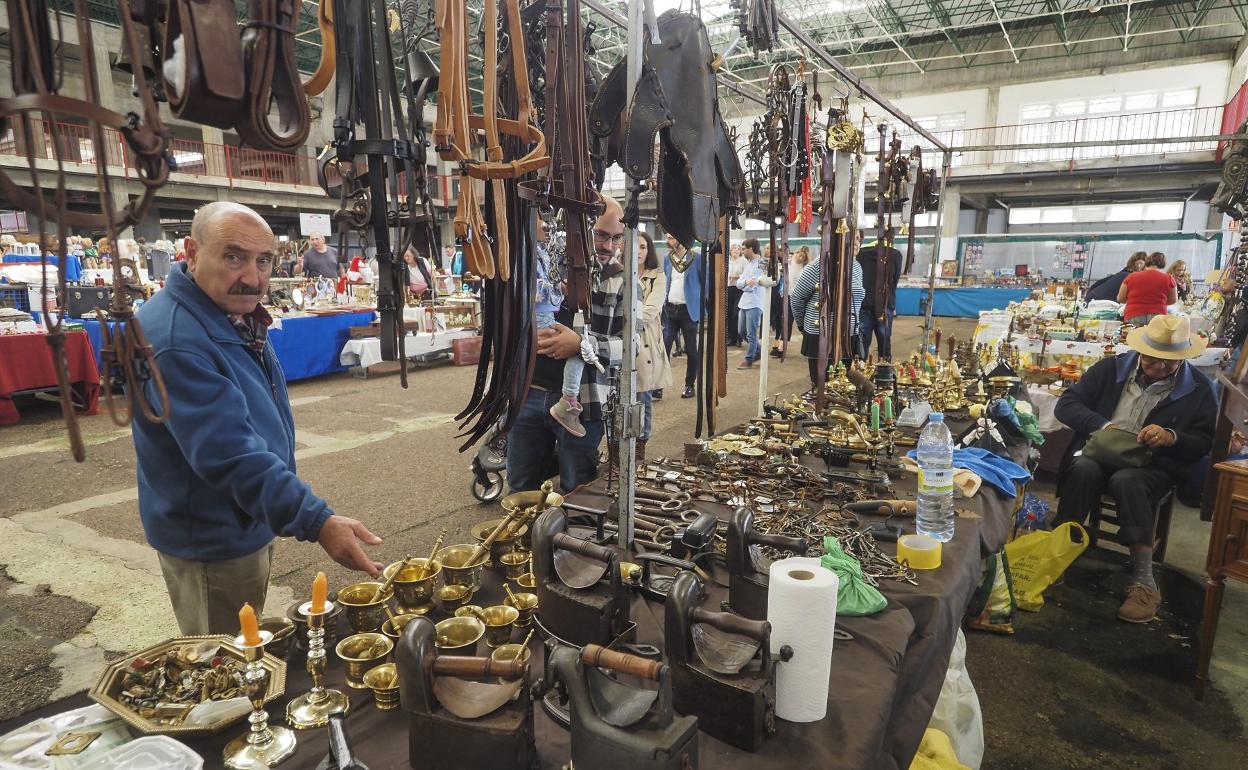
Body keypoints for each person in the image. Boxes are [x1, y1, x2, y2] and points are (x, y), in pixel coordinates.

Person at [132, 202, 382, 635]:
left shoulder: (226, 313)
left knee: (242, 643)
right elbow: (230, 455)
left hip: (244, 517)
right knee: (224, 666)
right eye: (233, 257)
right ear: (191, 253)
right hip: (213, 539)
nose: (252, 277)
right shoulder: (176, 338)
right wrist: (316, 521)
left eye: (263, 261)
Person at [1053, 314, 1215, 623]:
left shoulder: (1199, 389)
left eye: (1170, 363)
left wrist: (1172, 437)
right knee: (1083, 468)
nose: (1160, 368)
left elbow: (1205, 442)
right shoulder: (1110, 369)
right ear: (1142, 351)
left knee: (1128, 481)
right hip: (1100, 452)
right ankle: (1058, 552)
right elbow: (1067, 405)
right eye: (1154, 360)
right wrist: (1103, 426)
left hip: (1155, 465)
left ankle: (1144, 581)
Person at [506, 197, 627, 493]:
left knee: (578, 491)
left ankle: (572, 539)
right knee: (521, 488)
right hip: (528, 394)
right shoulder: (544, 265)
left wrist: (582, 345)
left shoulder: (622, 280)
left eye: (617, 238)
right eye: (601, 235)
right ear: (580, 226)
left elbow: (630, 347)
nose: (608, 246)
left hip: (583, 404)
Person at [535, 216, 598, 438]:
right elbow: (534, 289)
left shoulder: (542, 253)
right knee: (579, 350)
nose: (547, 225)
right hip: (542, 318)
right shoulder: (532, 255)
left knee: (579, 346)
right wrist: (558, 289)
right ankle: (569, 399)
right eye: (541, 221)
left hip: (544, 316)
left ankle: (568, 401)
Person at [790, 249, 865, 391]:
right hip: (820, 334)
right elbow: (796, 298)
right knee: (822, 387)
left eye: (857, 238)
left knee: (846, 384)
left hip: (849, 335)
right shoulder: (815, 268)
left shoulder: (856, 267)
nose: (854, 243)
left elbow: (857, 300)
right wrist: (802, 326)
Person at [636, 232, 671, 462]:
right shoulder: (616, 271)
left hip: (645, 341)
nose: (638, 251)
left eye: (642, 247)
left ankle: (640, 445)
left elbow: (651, 310)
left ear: (649, 251)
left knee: (643, 395)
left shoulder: (656, 276)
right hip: (619, 341)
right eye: (633, 246)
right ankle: (617, 446)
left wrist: (622, 319)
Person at [663, 234, 703, 399]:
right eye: (667, 237)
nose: (668, 241)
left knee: (692, 351)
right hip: (670, 310)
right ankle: (659, 385)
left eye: (671, 237)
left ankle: (689, 385)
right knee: (664, 349)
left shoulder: (697, 258)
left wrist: (703, 307)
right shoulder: (668, 259)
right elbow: (667, 281)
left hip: (689, 311)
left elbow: (705, 282)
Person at [856, 230, 902, 359]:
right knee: (884, 341)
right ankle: (884, 370)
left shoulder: (862, 253)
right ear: (892, 238)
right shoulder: (896, 255)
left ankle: (861, 368)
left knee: (863, 340)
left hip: (864, 303)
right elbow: (894, 281)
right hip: (885, 303)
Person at [736, 238, 774, 369]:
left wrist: (745, 284)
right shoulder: (749, 264)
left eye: (744, 249)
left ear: (751, 249)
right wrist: (746, 283)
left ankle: (749, 359)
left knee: (751, 334)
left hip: (755, 302)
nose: (742, 251)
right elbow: (739, 284)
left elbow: (753, 284)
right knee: (741, 332)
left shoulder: (762, 262)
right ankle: (759, 351)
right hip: (745, 302)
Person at [1118, 251, 1177, 326]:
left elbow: (1120, 298)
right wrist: (1159, 302)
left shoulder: (1132, 276)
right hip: (1157, 315)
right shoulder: (1169, 278)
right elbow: (1173, 300)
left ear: (1147, 262)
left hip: (1133, 314)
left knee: (1133, 337)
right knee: (1154, 337)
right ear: (1163, 264)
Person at [726, 243, 746, 347]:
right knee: (728, 313)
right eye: (734, 249)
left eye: (738, 249)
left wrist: (736, 276)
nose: (736, 251)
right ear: (730, 251)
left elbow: (746, 274)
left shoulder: (743, 261)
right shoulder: (727, 260)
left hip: (739, 289)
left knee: (736, 312)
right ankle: (730, 337)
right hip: (729, 288)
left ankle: (739, 338)